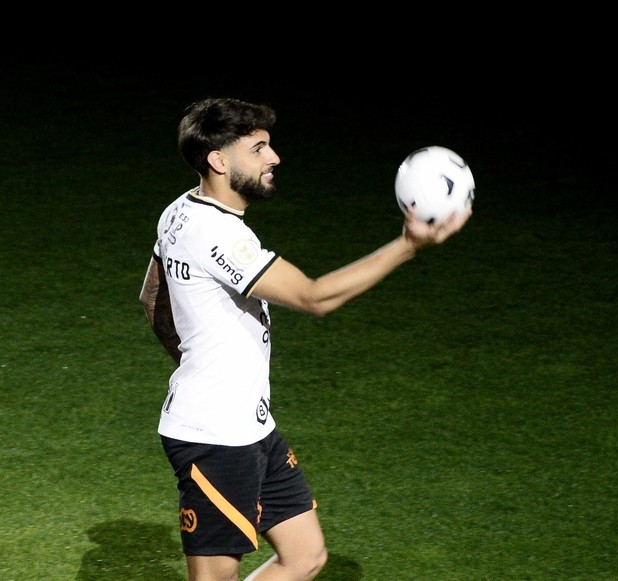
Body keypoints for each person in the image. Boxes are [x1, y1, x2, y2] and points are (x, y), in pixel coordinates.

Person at [139, 97, 471, 581]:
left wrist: (196, 359)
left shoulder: (179, 210)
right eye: (258, 149)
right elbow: (315, 298)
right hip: (213, 437)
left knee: (306, 556)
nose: (273, 158)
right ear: (218, 160)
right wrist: (408, 245)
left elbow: (152, 298)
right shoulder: (220, 235)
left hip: (251, 426)